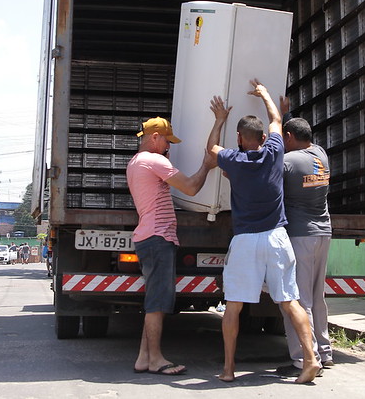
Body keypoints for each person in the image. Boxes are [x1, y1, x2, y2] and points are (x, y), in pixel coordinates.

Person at [207, 79, 320, 384]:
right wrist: (265, 94)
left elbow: (211, 148)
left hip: (246, 240)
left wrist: (219, 120)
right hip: (276, 237)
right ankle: (310, 360)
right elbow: (276, 120)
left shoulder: (234, 159)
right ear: (264, 138)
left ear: (240, 138)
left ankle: (229, 369)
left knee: (233, 305)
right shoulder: (274, 151)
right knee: (289, 300)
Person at [127, 116, 219, 376]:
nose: (169, 147)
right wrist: (207, 165)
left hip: (149, 237)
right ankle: (156, 359)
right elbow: (190, 188)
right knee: (158, 303)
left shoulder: (135, 162)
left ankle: (144, 358)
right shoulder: (155, 160)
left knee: (153, 301)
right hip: (158, 238)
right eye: (167, 141)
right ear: (155, 137)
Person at [275, 108, 335, 376]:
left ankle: (304, 358)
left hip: (301, 235)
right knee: (317, 297)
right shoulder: (320, 154)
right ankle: (325, 351)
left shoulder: (287, 162)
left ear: (288, 137)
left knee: (299, 300)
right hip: (324, 233)